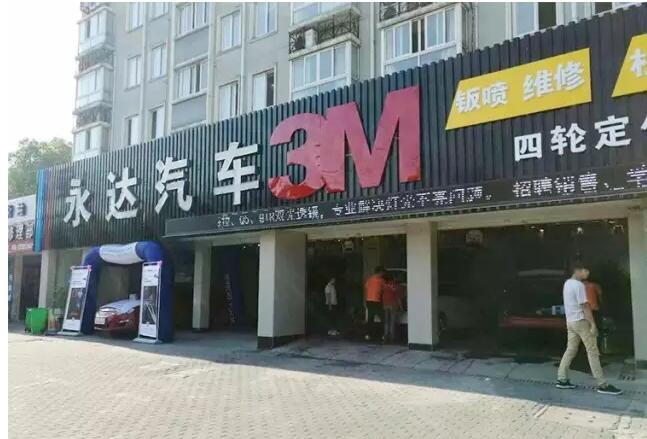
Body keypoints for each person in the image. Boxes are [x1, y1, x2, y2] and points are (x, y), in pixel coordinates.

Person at [556, 262, 622, 395]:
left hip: (571, 322)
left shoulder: (567, 283)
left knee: (570, 350)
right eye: (585, 270)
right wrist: (593, 324)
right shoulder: (579, 285)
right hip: (581, 322)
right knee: (593, 352)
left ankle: (562, 379)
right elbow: (585, 306)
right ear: (577, 270)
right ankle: (602, 384)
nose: (587, 273)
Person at [364, 266, 385, 341]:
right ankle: (382, 335)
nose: (383, 274)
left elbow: (366, 288)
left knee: (370, 318)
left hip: (369, 300)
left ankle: (368, 334)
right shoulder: (381, 280)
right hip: (377, 301)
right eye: (382, 273)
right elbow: (384, 290)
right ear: (380, 272)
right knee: (382, 317)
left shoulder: (369, 279)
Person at [382, 273, 401, 343]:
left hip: (385, 304)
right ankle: (392, 337)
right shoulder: (394, 285)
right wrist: (401, 306)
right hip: (393, 304)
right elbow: (398, 297)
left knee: (386, 321)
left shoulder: (384, 285)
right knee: (392, 321)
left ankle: (385, 336)